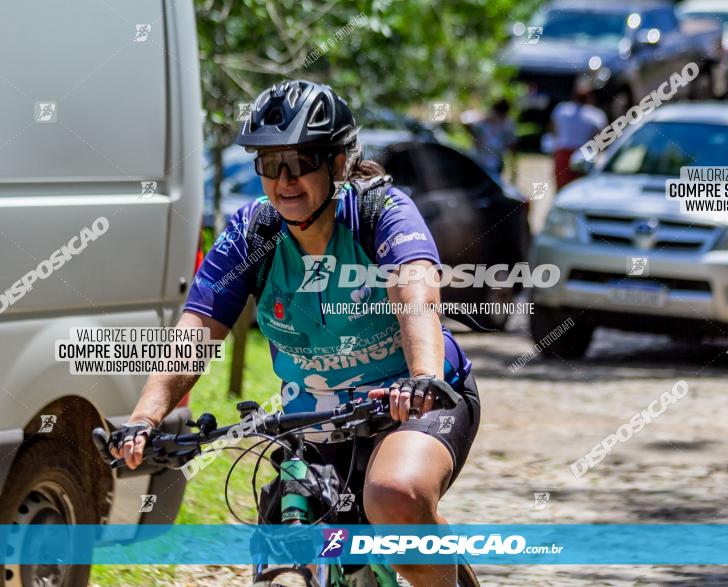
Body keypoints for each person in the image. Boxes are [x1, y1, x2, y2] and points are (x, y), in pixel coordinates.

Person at [109, 80, 480, 587]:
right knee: (288, 534)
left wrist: (421, 378)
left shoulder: (380, 212)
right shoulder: (251, 234)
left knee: (395, 495)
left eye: (301, 160)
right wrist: (144, 418)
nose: (283, 179)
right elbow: (195, 329)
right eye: (268, 162)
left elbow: (416, 292)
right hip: (311, 418)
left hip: (413, 402)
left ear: (339, 163)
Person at [549, 80, 607, 189]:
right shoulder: (596, 115)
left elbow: (553, 129)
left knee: (562, 189)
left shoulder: (561, 110)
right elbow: (600, 139)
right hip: (583, 155)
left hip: (563, 153)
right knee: (580, 189)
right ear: (590, 98)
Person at [463, 98, 517, 176]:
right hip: (478, 162)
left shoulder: (508, 125)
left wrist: (513, 170)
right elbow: (465, 119)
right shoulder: (482, 123)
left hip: (495, 165)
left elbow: (512, 146)